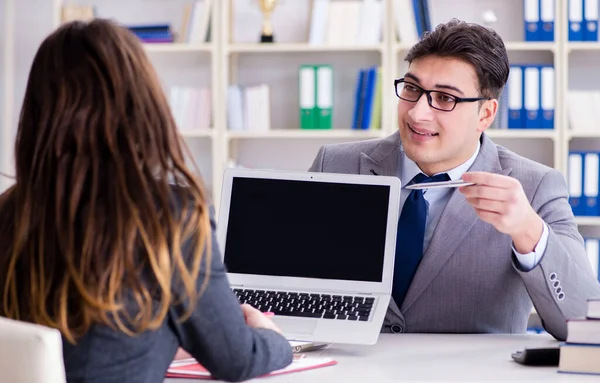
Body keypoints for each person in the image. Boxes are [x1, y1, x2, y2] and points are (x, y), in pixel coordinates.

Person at [0, 19, 292, 383]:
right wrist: (273, 338)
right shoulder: (172, 216)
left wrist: (166, 338)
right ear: (141, 106)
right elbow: (237, 359)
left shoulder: (10, 214)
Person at [309, 19, 600, 341]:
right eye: (411, 89)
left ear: (486, 114)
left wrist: (528, 230)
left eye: (445, 98)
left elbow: (582, 324)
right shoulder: (336, 165)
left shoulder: (535, 186)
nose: (417, 113)